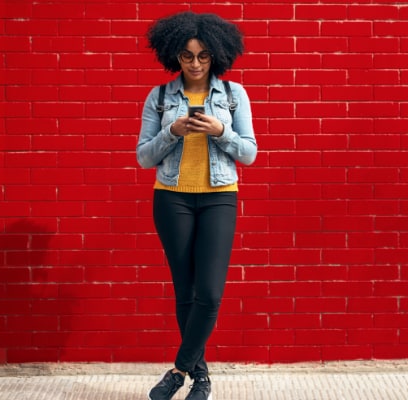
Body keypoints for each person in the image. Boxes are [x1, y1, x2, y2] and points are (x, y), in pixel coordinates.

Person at [136, 11, 257, 400]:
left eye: (203, 56)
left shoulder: (234, 95)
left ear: (216, 56)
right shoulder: (159, 98)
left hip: (219, 197)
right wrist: (172, 131)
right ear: (175, 55)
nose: (195, 64)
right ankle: (201, 378)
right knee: (185, 292)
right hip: (171, 198)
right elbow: (143, 157)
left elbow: (250, 153)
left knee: (210, 293)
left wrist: (221, 131)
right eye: (187, 56)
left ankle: (179, 369)